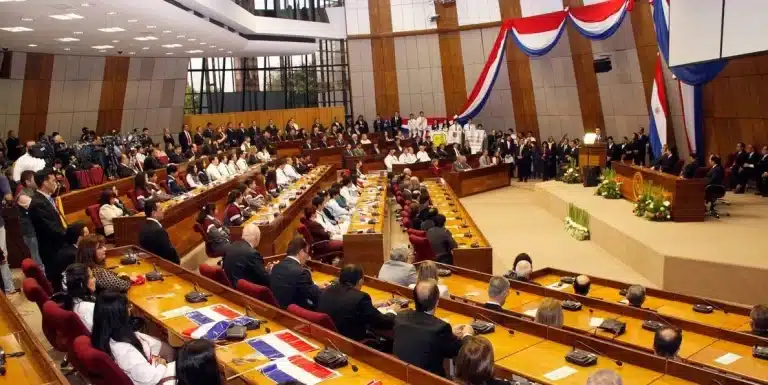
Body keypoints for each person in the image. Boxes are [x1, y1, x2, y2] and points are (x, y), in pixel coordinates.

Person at [91, 291, 176, 385]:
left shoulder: (102, 336)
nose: (129, 310)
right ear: (120, 315)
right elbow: (148, 378)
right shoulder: (126, 350)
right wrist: (161, 364)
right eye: (128, 307)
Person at [393, 279, 473, 377]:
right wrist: (467, 334)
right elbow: (463, 352)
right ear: (437, 301)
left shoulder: (400, 317)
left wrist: (450, 333)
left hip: (402, 375)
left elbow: (422, 333)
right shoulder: (440, 329)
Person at [318, 264, 397, 342]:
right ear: (360, 281)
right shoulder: (361, 297)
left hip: (329, 338)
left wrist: (372, 306)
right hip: (352, 343)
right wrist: (392, 311)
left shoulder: (328, 290)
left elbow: (349, 307)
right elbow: (382, 322)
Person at [28, 169, 66, 283]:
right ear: (44, 182)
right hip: (52, 251)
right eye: (54, 180)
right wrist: (70, 236)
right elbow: (51, 229)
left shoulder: (47, 198)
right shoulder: (37, 203)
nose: (56, 183)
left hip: (57, 247)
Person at [270, 236, 324, 309]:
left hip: (280, 309)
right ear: (301, 252)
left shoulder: (276, 267)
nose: (308, 257)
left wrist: (314, 286)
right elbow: (315, 296)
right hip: (298, 313)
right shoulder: (302, 273)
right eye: (307, 253)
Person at [222, 223, 271, 288]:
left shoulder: (232, 246)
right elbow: (265, 280)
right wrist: (271, 272)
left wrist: (264, 270)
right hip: (247, 291)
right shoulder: (252, 253)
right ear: (257, 237)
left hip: (231, 287)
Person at [49, 222, 88, 292]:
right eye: (87, 235)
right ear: (80, 238)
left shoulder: (69, 247)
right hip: (67, 291)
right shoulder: (72, 254)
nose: (89, 237)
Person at [138, 200, 180, 264]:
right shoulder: (158, 231)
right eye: (160, 209)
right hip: (164, 265)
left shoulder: (142, 227)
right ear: (154, 213)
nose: (163, 211)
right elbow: (169, 253)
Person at [61, 263, 97, 331]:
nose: (95, 279)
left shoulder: (72, 300)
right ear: (82, 284)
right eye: (91, 277)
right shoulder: (88, 308)